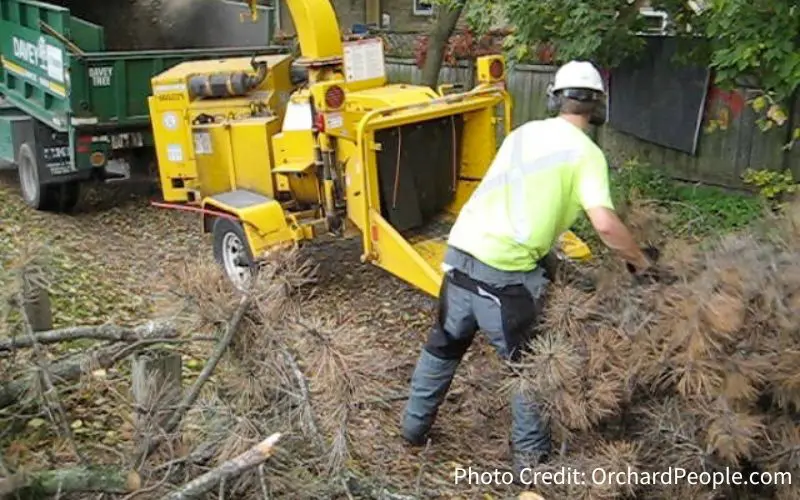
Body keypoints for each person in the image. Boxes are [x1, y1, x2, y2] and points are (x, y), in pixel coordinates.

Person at [400, 60, 666, 477]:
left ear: (554, 98)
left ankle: (412, 430)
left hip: (461, 253)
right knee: (532, 366)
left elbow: (512, 193)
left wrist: (546, 253)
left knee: (445, 343)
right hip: (503, 277)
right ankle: (532, 466)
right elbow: (605, 225)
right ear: (598, 107)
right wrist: (641, 262)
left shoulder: (523, 133)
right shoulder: (587, 154)